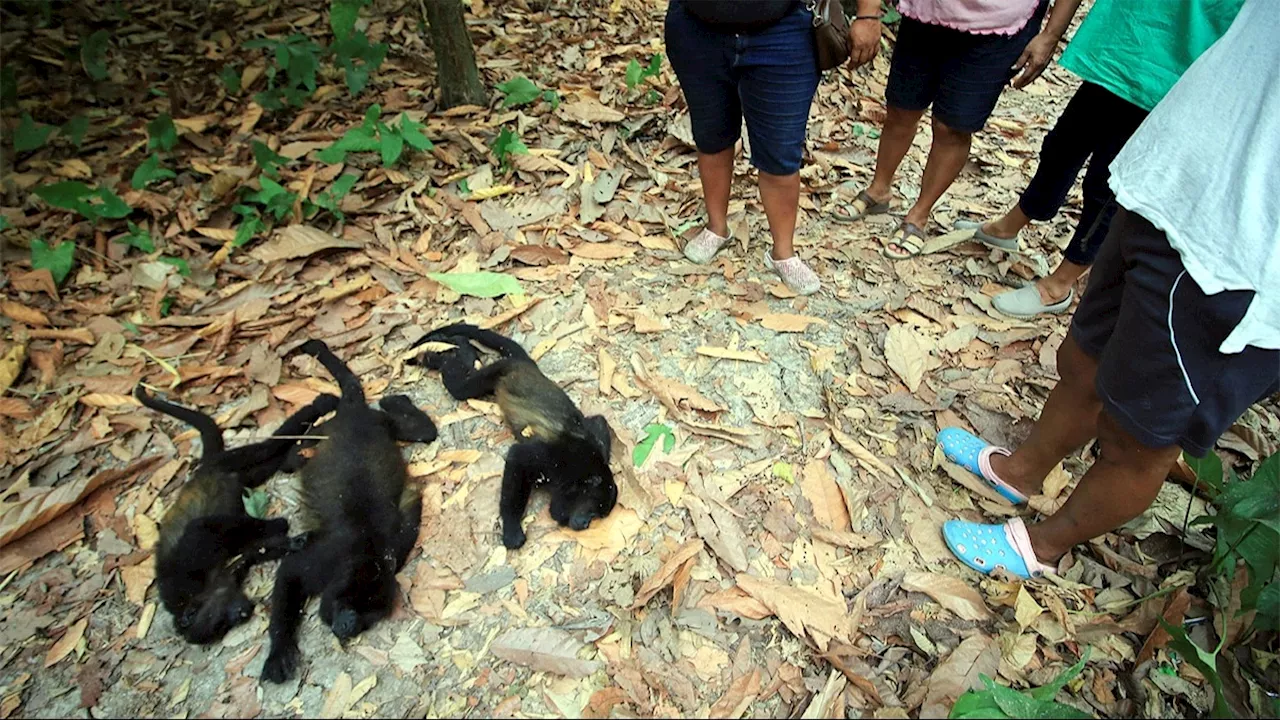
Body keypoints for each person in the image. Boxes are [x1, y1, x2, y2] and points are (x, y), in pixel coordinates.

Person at [935, 0, 1280, 580]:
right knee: (1083, 358)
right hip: (1165, 186)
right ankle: (1021, 471)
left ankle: (1042, 547)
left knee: (1139, 435)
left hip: (1240, 259)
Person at [955, 0, 1245, 319]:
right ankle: (1006, 229)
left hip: (1175, 68)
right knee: (1061, 147)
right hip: (1124, 45)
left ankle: (1058, 285)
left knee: (1106, 185)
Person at [832, 0, 1083, 260]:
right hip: (927, 12)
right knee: (901, 108)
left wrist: (1050, 35)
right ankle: (878, 189)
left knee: (952, 126)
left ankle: (919, 215)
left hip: (1001, 23)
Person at [665, 0, 881, 294]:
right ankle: (717, 228)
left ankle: (783, 253)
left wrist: (868, 14)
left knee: (780, 153)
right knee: (711, 137)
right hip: (697, 27)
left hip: (785, 30)